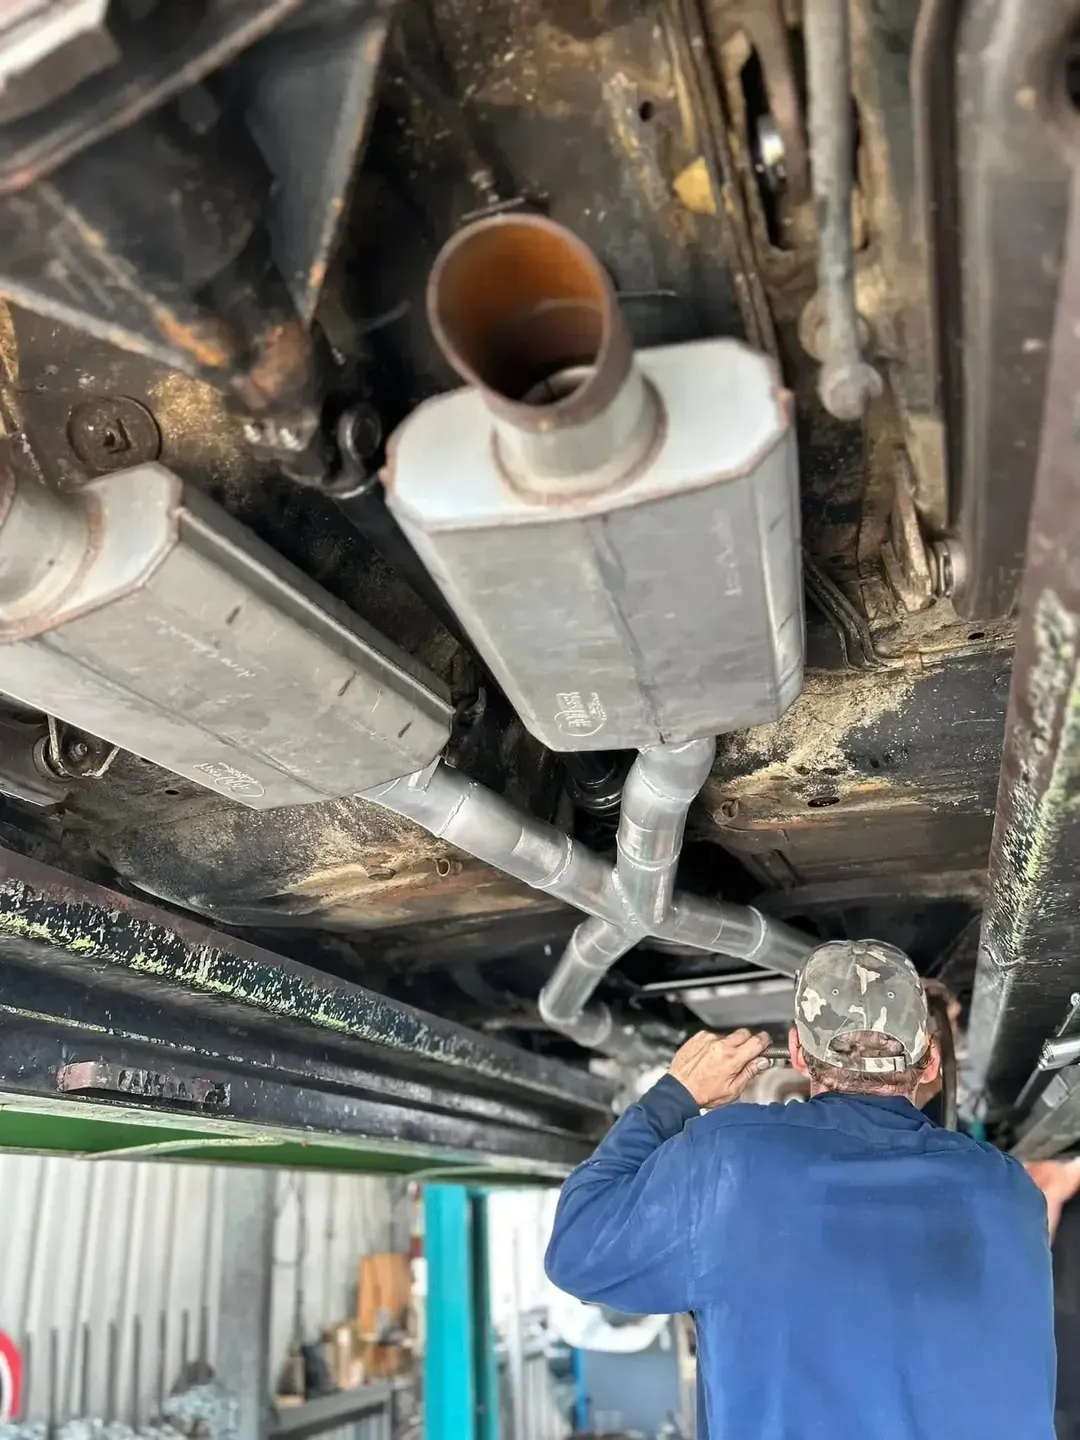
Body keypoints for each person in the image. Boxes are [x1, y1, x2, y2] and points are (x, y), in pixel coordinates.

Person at [545, 939, 1055, 1439]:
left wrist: (676, 1095)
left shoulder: (731, 1164)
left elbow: (577, 1249)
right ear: (931, 1063)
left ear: (797, 1053)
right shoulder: (1007, 1191)